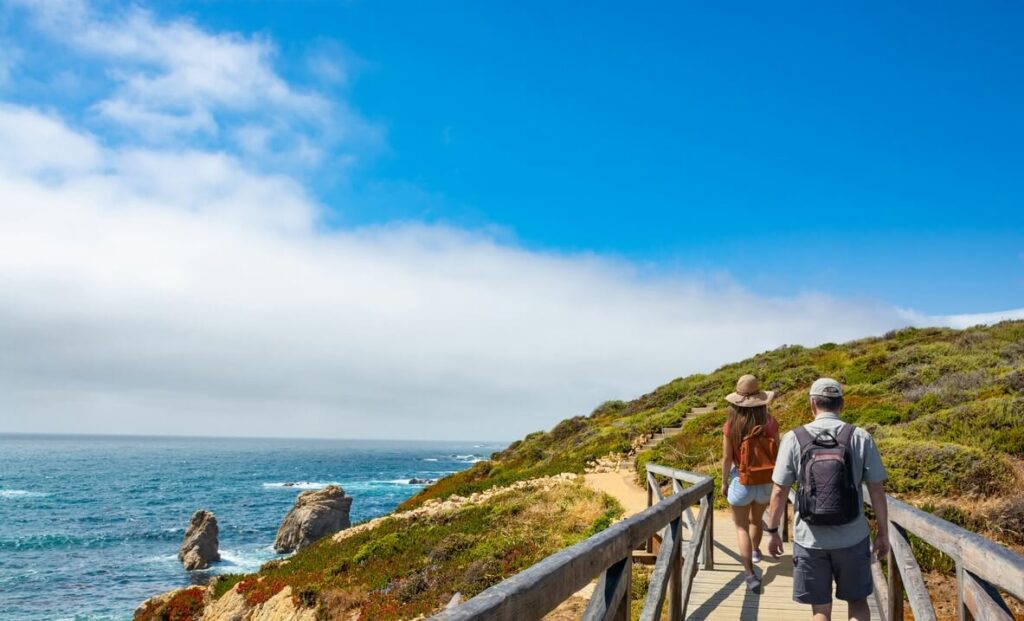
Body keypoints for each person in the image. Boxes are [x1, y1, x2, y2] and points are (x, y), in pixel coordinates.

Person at [765, 378, 891, 621]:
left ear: (813, 404)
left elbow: (779, 492)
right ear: (841, 404)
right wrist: (882, 533)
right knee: (857, 602)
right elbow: (876, 489)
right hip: (852, 537)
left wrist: (772, 532)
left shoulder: (794, 438)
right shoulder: (860, 437)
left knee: (820, 610)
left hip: (810, 540)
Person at [722, 374, 780, 593]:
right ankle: (756, 551)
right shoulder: (771, 422)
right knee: (756, 520)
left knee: (740, 527)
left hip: (741, 480)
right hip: (766, 480)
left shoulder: (731, 425)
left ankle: (749, 573)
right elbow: (778, 453)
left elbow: (727, 458)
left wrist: (724, 482)